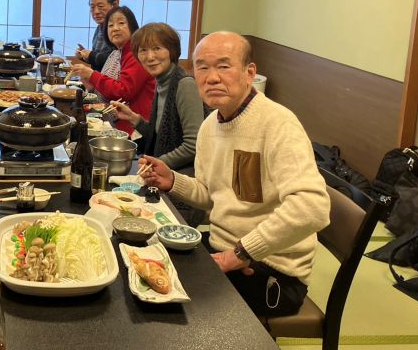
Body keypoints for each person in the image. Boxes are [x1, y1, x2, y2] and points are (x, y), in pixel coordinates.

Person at [138, 31, 330, 317]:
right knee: (142, 261)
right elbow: (211, 195)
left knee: (167, 305)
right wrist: (173, 181)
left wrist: (239, 253)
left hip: (272, 270)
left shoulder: (277, 123)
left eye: (224, 66)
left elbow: (313, 208)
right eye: (202, 67)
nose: (212, 77)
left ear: (249, 73)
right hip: (222, 248)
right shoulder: (210, 125)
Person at [110, 23, 206, 171]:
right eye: (143, 50)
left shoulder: (185, 85)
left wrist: (155, 163)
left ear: (171, 51)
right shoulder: (161, 83)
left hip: (183, 175)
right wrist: (133, 118)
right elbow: (159, 135)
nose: (150, 57)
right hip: (166, 170)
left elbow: (194, 145)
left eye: (157, 48)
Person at [69, 6, 155, 136]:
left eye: (121, 23)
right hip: (120, 119)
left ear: (133, 27)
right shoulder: (118, 53)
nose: (115, 28)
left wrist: (92, 75)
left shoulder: (136, 53)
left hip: (135, 129)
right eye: (110, 25)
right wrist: (92, 87)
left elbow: (123, 92)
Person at [75, 0, 118, 71]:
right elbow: (98, 61)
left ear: (114, 5)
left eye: (100, 6)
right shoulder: (99, 28)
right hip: (98, 79)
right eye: (92, 7)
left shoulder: (117, 30)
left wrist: (90, 55)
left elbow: (115, 60)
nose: (96, 11)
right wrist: (84, 55)